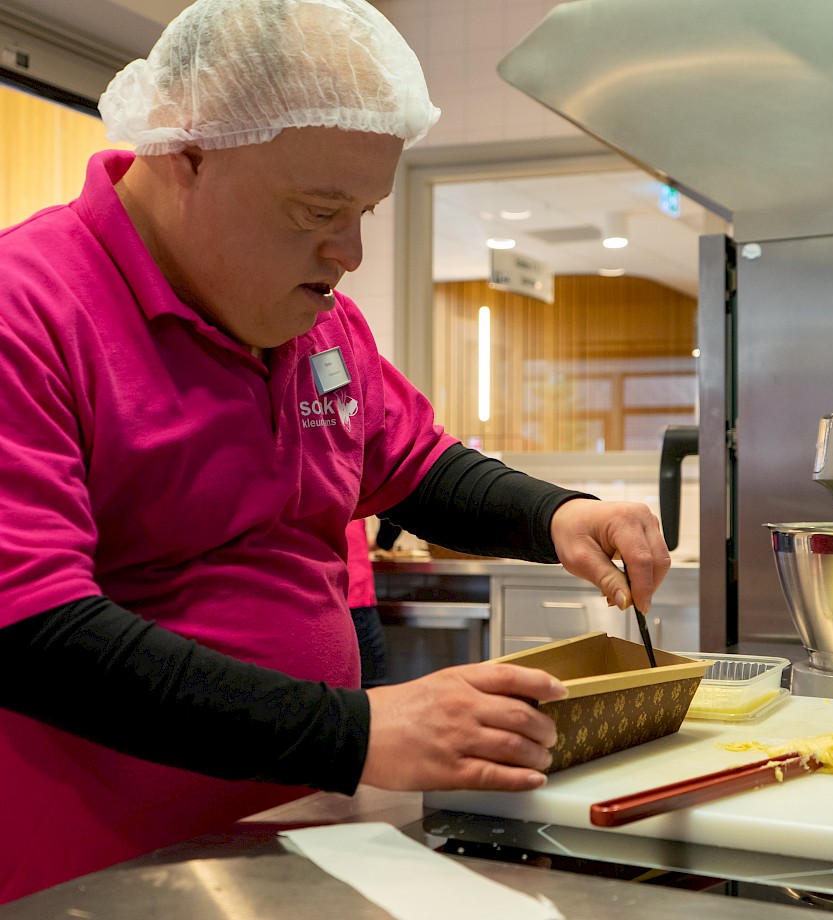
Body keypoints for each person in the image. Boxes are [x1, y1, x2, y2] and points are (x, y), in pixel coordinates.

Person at [0, 0, 671, 903]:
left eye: (364, 211)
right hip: (108, 873)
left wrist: (559, 513)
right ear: (187, 152)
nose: (349, 251)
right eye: (318, 209)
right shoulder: (28, 309)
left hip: (299, 838)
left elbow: (418, 467)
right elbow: (34, 634)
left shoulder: (318, 325)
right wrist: (352, 734)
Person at [346, 517, 388, 687]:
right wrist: (383, 542)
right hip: (355, 591)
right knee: (371, 687)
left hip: (302, 598)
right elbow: (393, 497)